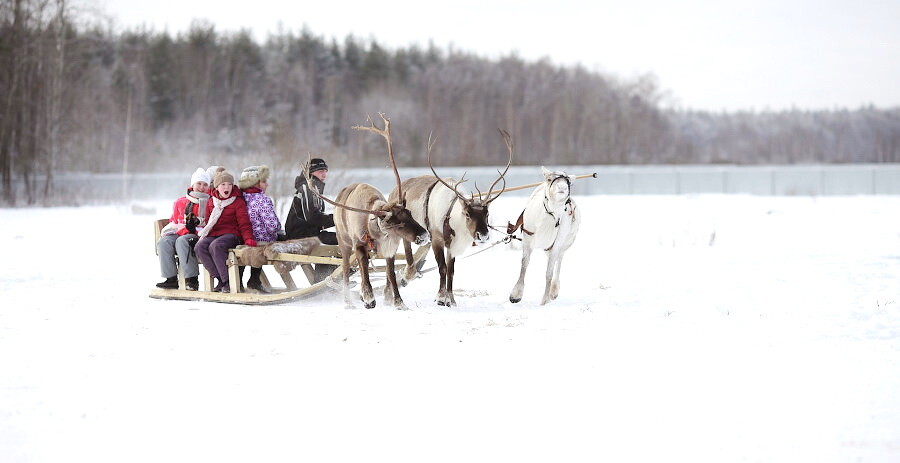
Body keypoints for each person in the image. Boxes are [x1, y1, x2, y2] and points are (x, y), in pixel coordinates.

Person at [195, 170, 257, 293]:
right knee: (200, 247)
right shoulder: (211, 201)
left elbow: (244, 223)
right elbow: (208, 222)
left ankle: (228, 281)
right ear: (217, 187)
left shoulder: (237, 201)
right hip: (214, 234)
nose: (226, 187)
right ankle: (221, 279)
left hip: (231, 234)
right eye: (223, 185)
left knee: (216, 246)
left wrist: (248, 238)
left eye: (229, 184)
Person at [155, 168, 211, 291]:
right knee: (164, 242)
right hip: (181, 232)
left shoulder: (210, 202)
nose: (201, 187)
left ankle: (192, 280)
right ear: (193, 185)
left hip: (199, 235)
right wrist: (176, 228)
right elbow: (174, 220)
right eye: (199, 184)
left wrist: (193, 226)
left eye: (205, 184)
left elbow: (209, 223)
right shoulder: (181, 202)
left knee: (182, 241)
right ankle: (171, 279)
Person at [285, 158, 337, 282]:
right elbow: (312, 218)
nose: (324, 174)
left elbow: (317, 218)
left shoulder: (315, 188)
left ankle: (328, 278)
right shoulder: (306, 187)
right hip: (299, 235)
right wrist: (337, 218)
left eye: (325, 171)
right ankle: (326, 279)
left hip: (310, 232)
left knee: (339, 238)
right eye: (320, 171)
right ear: (311, 173)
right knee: (333, 239)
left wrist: (334, 220)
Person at [237, 165, 281, 293]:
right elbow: (272, 226)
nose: (267, 185)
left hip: (242, 238)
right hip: (262, 240)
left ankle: (237, 282)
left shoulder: (240, 198)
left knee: (244, 253)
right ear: (254, 183)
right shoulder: (262, 200)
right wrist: (278, 228)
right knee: (266, 245)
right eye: (264, 181)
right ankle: (254, 280)